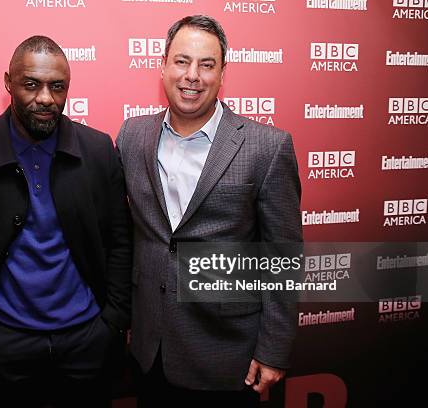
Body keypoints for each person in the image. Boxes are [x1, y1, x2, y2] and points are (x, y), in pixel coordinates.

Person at [115, 15, 302, 407]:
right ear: (163, 65)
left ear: (222, 73)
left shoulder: (267, 147)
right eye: (182, 61)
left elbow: (282, 257)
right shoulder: (131, 136)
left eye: (207, 64)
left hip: (228, 355)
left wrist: (273, 349)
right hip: (151, 350)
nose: (192, 76)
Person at [0, 35, 131, 407]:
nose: (45, 98)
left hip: (86, 344)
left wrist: (113, 322)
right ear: (8, 82)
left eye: (57, 87)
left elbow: (120, 240)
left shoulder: (98, 150)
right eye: (31, 84)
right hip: (2, 345)